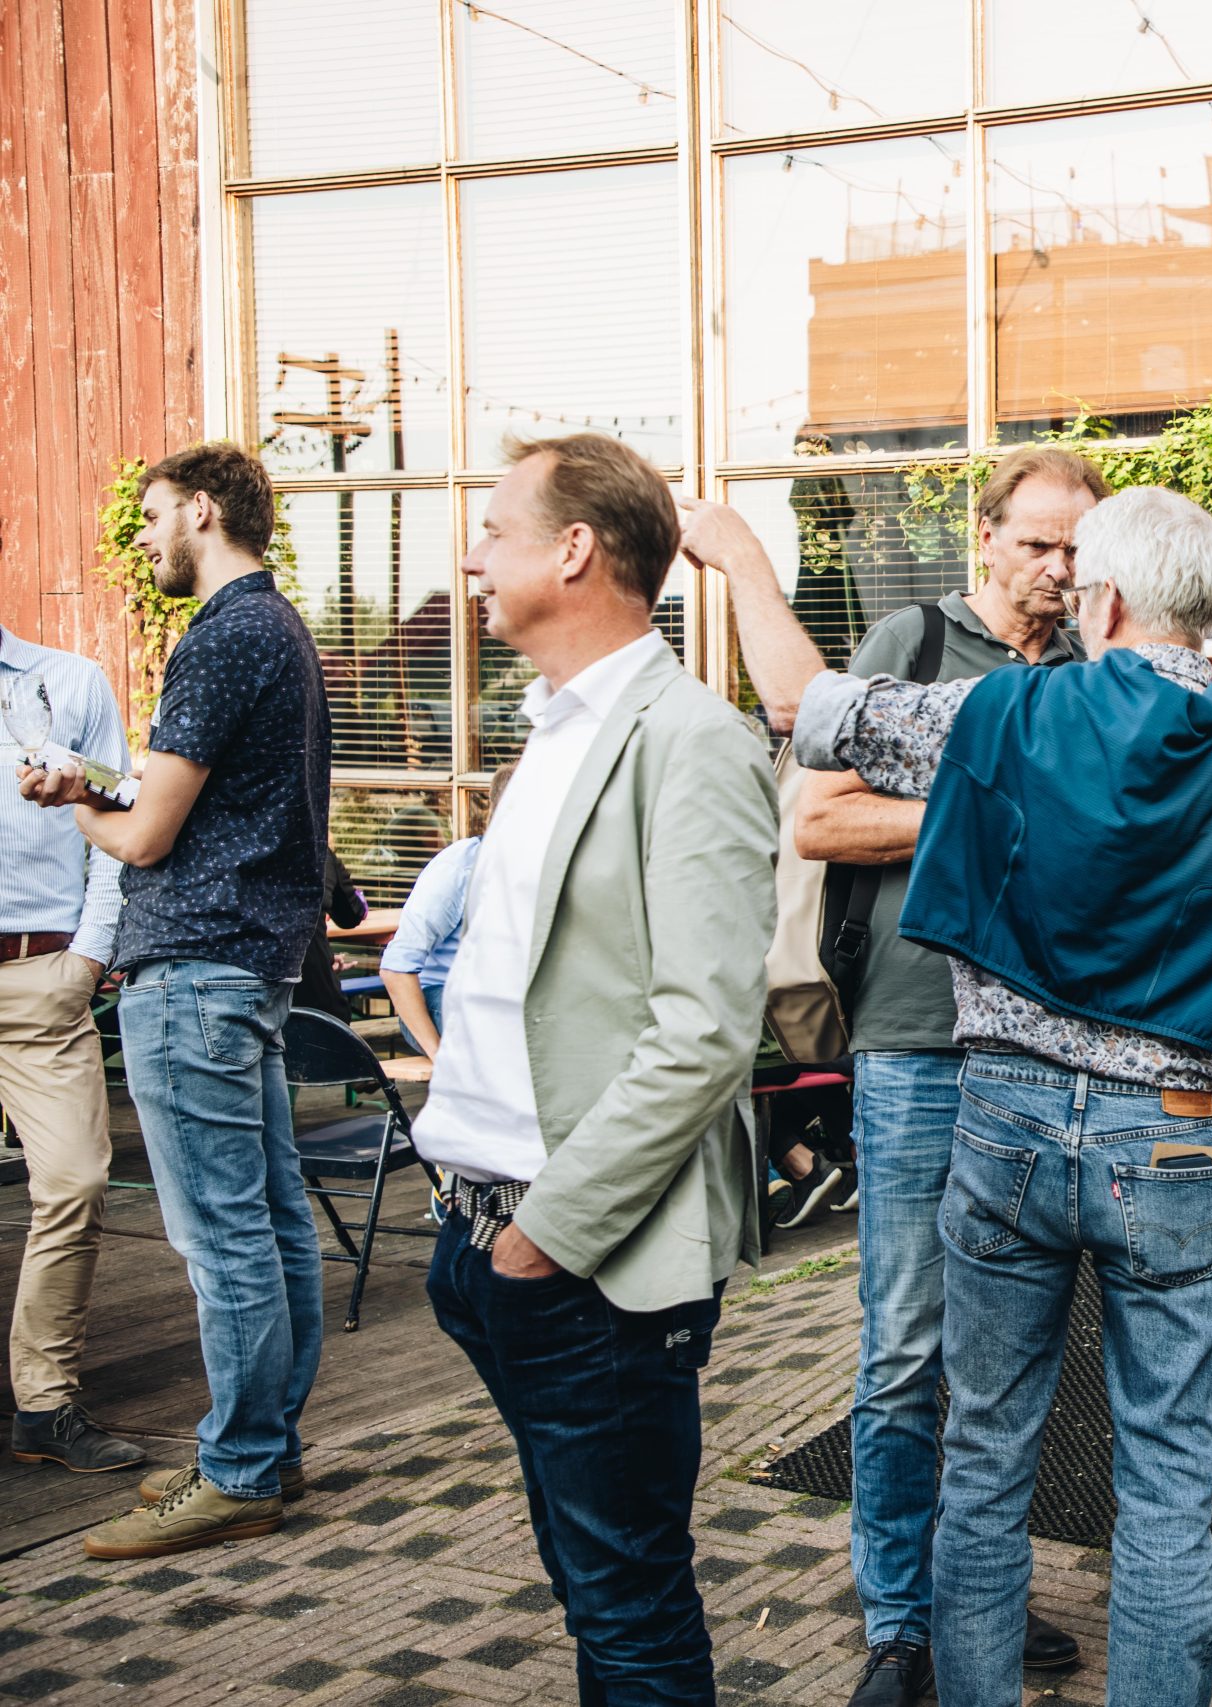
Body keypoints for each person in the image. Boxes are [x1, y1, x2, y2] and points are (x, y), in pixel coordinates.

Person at [693, 483, 1212, 1707]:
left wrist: (740, 558)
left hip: (1003, 1119)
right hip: (1176, 1136)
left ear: (1102, 604)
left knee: (989, 1454)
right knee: (1168, 1479)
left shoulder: (1004, 711)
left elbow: (805, 712)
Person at [412, 433, 777, 1701]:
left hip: (584, 1262)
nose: (470, 559)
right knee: (590, 1590)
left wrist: (545, 1241)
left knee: (630, 1616)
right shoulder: (551, 733)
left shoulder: (692, 742)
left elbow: (705, 1032)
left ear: (574, 550)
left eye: (494, 531)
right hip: (480, 1239)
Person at [788, 443, 1102, 1701]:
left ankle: (980, 1595)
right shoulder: (912, 644)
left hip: (1048, 1045)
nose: (1059, 569)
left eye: (1077, 550)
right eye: (1037, 544)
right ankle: (900, 1624)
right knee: (905, 1347)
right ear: (984, 538)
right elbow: (818, 817)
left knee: (1008, 1357)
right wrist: (992, 812)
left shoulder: (1090, 674)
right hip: (918, 1043)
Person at [21, 442, 331, 1559]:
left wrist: (76, 806)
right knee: (275, 1225)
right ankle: (265, 1451)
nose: (143, 537)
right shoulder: (280, 629)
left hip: (192, 968)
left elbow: (149, 835)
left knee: (224, 1240)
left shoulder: (219, 636)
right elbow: (201, 802)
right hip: (250, 965)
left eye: (151, 517)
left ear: (202, 510)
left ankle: (238, 1470)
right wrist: (103, 784)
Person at [0, 623, 137, 1479]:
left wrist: (89, 955)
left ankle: (45, 1403)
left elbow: (122, 807)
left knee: (76, 1180)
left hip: (42, 977)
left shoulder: (70, 681)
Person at [380, 761, 517, 1059]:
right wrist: (439, 1056)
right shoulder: (460, 866)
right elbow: (396, 969)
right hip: (443, 998)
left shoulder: (545, 872)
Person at [290, 847, 368, 1022]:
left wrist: (327, 957)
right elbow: (352, 914)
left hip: (256, 995)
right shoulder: (318, 852)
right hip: (315, 998)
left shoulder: (238, 850)